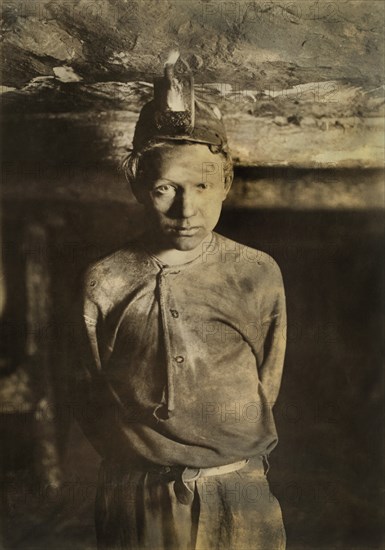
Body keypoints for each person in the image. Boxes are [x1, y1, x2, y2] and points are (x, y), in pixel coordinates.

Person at [74, 51, 287, 550]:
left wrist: (218, 459)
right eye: (164, 189)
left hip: (238, 492)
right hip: (136, 497)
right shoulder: (104, 280)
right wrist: (142, 465)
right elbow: (88, 389)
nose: (186, 209)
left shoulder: (257, 272)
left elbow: (266, 382)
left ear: (226, 184)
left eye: (202, 187)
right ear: (136, 185)